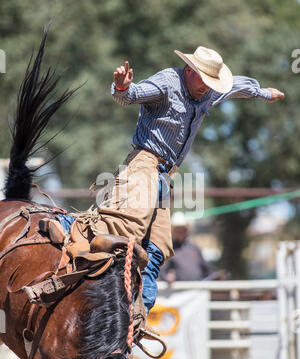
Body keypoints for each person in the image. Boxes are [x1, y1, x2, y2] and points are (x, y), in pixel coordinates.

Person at [42, 46, 284, 313]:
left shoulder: (209, 91)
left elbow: (236, 86)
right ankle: (64, 225)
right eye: (204, 80)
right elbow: (132, 95)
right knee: (125, 227)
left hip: (164, 176)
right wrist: (121, 88)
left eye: (212, 83)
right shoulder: (168, 82)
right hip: (144, 163)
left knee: (157, 249)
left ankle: (138, 312)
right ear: (190, 70)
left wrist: (264, 93)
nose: (207, 88)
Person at [160, 212, 225, 283]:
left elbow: (206, 268)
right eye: (178, 229)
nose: (180, 231)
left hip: (198, 291)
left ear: (187, 230)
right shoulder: (169, 250)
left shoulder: (194, 248)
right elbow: (163, 271)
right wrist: (167, 276)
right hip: (177, 292)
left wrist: (215, 275)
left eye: (183, 229)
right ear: (173, 231)